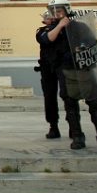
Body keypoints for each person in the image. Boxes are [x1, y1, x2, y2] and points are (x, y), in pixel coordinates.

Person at [44, 0, 97, 155]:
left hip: (85, 70)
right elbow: (47, 40)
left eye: (59, 10)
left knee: (96, 104)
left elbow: (92, 43)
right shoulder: (49, 30)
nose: (56, 13)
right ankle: (78, 137)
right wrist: (59, 25)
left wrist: (82, 47)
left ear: (67, 10)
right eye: (53, 11)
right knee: (71, 106)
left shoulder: (80, 26)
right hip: (66, 71)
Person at [35, 10, 62, 139]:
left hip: (63, 66)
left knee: (69, 96)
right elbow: (47, 40)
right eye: (47, 17)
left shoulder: (65, 29)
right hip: (47, 68)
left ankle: (74, 127)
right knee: (50, 97)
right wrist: (59, 26)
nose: (50, 18)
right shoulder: (41, 31)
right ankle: (53, 126)